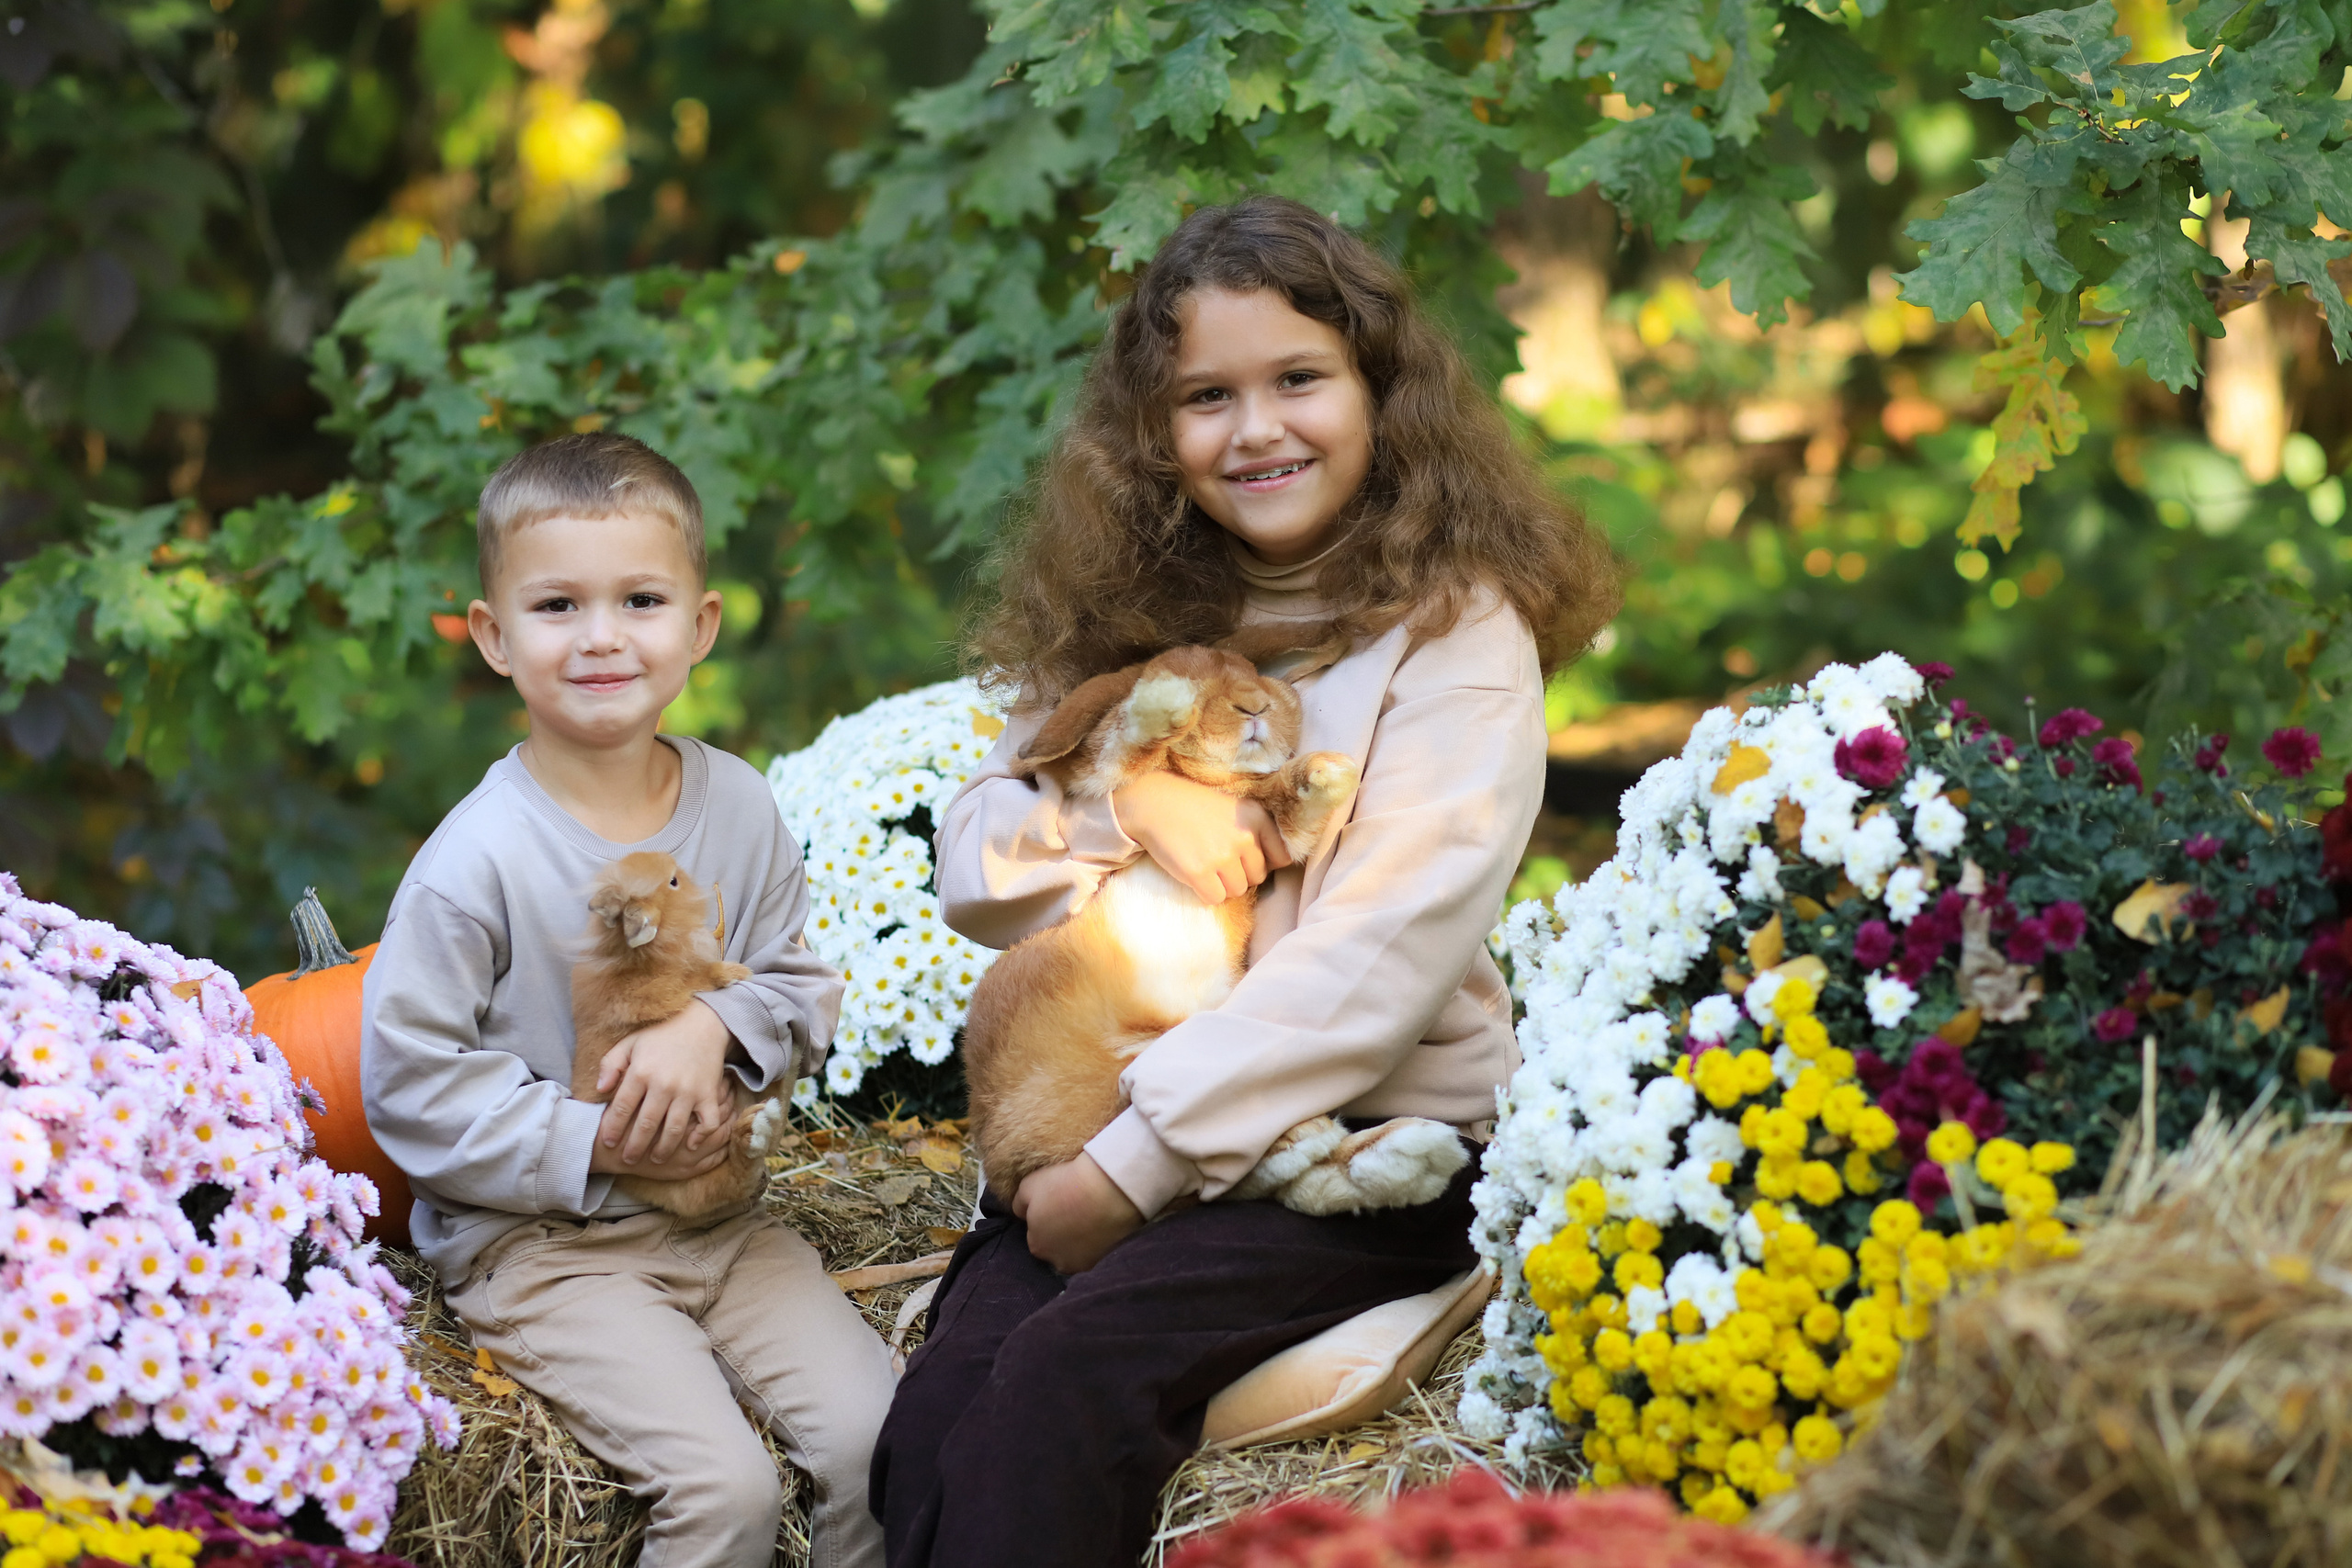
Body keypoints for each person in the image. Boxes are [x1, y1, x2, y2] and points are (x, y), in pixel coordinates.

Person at [871, 196, 1621, 1567]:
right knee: (924, 1427)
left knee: (1056, 1395)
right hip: (1100, 1111)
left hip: (1353, 1155)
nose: (1256, 428)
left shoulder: (1458, 632)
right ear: (1155, 434)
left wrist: (1133, 1166)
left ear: (1379, 393)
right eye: (1207, 396)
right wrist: (1122, 802)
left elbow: (1376, 963)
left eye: (1298, 380)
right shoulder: (1129, 608)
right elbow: (974, 860)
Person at [361, 433, 896, 1568]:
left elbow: (801, 987)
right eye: (558, 605)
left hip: (728, 1222)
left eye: (639, 599)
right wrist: (600, 1141)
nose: (602, 635)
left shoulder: (739, 808)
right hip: (549, 1251)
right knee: (727, 1493)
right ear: (495, 637)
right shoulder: (476, 864)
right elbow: (411, 1092)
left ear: (698, 627)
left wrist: (715, 1027)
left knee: (880, 1443)